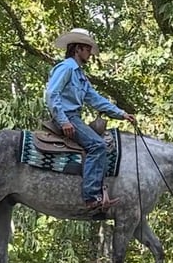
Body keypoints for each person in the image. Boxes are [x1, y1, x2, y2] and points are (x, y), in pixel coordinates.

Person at [45, 28, 136, 211]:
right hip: (67, 117)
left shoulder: (80, 75)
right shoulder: (66, 68)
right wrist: (63, 121)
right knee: (97, 145)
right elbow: (51, 94)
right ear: (77, 49)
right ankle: (92, 197)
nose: (90, 53)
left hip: (73, 117)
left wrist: (121, 114)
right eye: (87, 49)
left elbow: (95, 99)